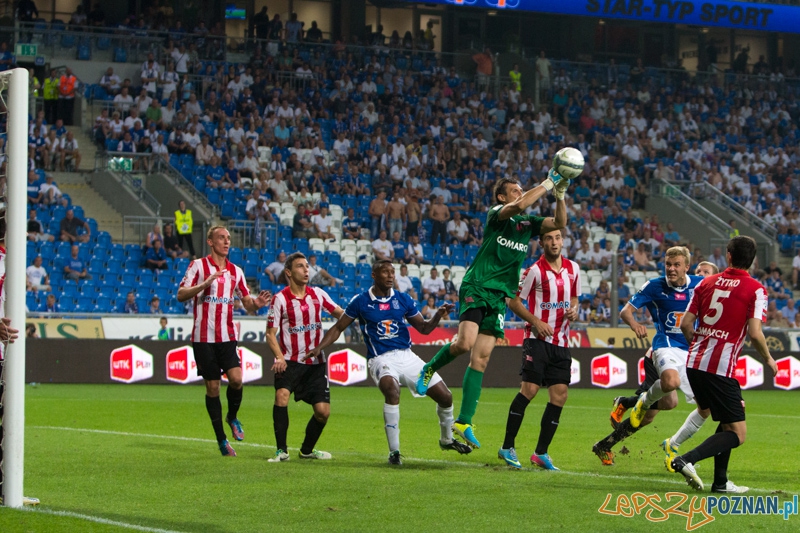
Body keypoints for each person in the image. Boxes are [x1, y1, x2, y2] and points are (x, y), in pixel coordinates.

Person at [416, 171, 569, 450]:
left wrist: (559, 194)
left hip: (501, 295)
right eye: (515, 191)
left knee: (482, 359)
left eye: (522, 190)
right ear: (501, 196)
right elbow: (518, 206)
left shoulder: (528, 224)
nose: (520, 194)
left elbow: (559, 222)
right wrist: (547, 183)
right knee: (464, 343)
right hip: (478, 285)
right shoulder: (498, 214)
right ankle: (429, 368)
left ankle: (464, 421)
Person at [308, 260, 472, 464]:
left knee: (446, 397)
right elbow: (338, 328)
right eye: (385, 272)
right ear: (374, 276)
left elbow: (424, 328)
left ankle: (446, 439)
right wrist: (319, 347)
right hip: (380, 358)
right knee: (392, 390)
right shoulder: (360, 301)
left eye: (392, 272)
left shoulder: (403, 299)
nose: (390, 276)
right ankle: (394, 452)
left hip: (407, 355)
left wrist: (438, 314)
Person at [671, 236, 777, 493]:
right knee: (738, 434)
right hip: (719, 369)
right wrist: (768, 358)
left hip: (694, 364)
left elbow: (686, 324)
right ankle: (686, 459)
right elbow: (754, 333)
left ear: (728, 256)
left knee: (727, 421)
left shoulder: (706, 283)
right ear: (752, 261)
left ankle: (720, 482)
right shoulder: (756, 290)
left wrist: (698, 347)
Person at [591, 258, 714, 467]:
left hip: (687, 357)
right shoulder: (678, 287)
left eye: (706, 272)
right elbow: (629, 310)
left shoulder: (707, 295)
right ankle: (623, 423)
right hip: (661, 353)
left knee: (664, 408)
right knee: (657, 407)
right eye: (699, 271)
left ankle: (621, 413)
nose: (700, 275)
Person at [177, 226, 271, 456]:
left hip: (227, 336)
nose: (227, 242)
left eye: (228, 238)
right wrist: (204, 284)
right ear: (210, 242)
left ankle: (232, 416)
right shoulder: (198, 266)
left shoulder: (236, 271)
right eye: (221, 238)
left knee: (237, 380)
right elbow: (181, 294)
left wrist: (256, 304)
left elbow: (247, 304)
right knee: (213, 387)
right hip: (203, 338)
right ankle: (221, 440)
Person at [499, 229, 579, 469]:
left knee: (560, 396)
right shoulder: (533, 271)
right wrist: (536, 321)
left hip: (562, 342)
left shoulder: (574, 268)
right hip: (536, 339)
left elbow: (574, 298)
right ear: (542, 242)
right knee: (530, 390)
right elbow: (512, 301)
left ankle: (540, 453)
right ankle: (507, 446)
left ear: (562, 241)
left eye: (557, 238)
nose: (554, 242)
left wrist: (574, 310)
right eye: (548, 239)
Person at [264, 253, 344, 462]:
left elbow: (343, 316)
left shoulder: (318, 294)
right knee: (281, 396)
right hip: (289, 361)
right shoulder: (280, 299)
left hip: (315, 364)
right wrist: (279, 357)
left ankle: (307, 451)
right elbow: (270, 333)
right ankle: (281, 450)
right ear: (289, 273)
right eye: (300, 266)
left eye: (307, 266)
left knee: (323, 412)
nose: (306, 270)